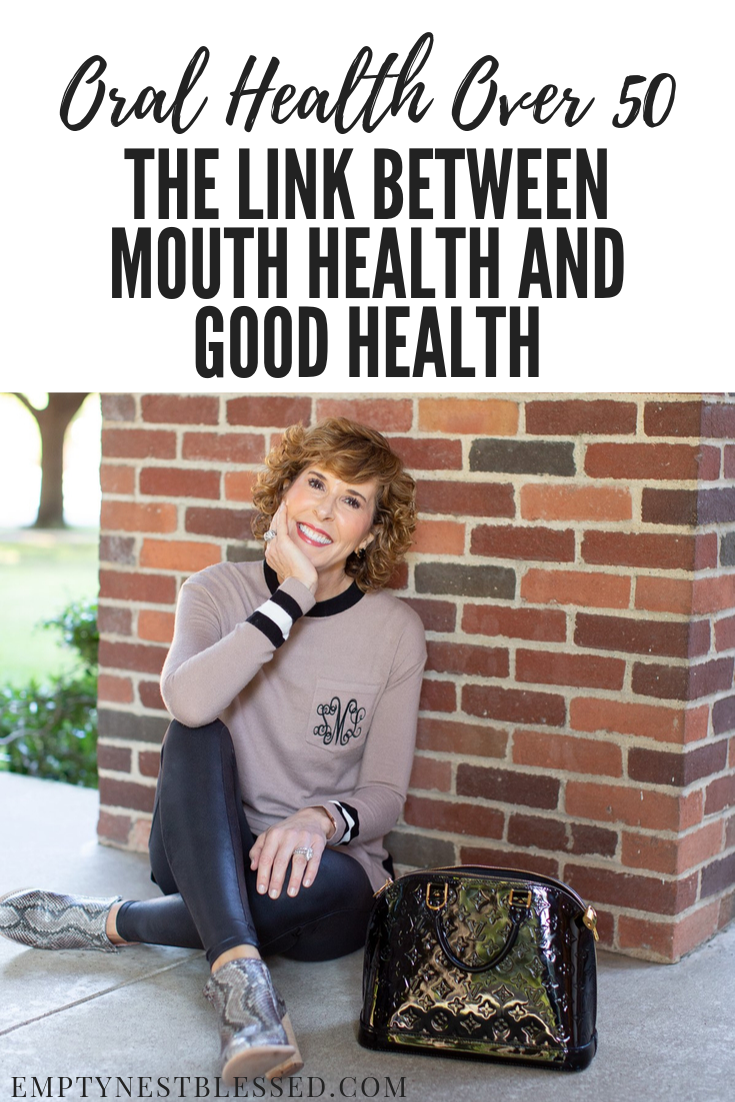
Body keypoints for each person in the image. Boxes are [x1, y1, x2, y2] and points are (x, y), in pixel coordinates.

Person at [0, 418, 427, 1084]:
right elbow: (189, 702)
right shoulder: (215, 591)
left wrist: (319, 821)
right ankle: (244, 986)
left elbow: (384, 797)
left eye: (350, 499)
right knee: (195, 725)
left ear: (369, 532)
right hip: (205, 846)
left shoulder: (394, 632)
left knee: (344, 886)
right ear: (284, 493)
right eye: (313, 482)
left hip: (316, 877)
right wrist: (289, 599)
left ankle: (118, 923)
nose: (322, 506)